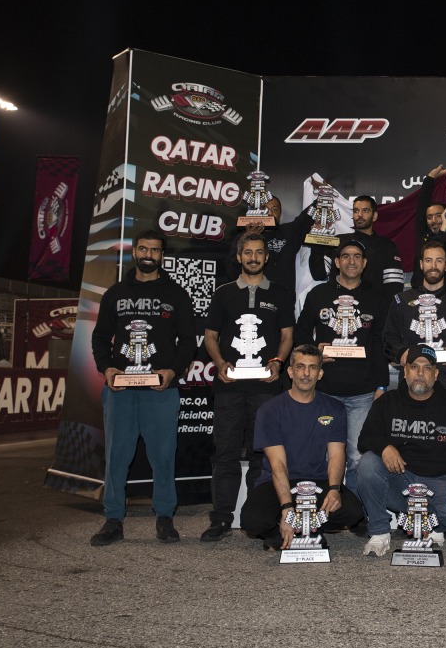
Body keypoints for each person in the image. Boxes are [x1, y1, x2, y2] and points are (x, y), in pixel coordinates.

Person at [89, 230, 196, 546]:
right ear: (134, 252)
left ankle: (164, 517)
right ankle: (113, 519)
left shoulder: (176, 294)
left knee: (163, 456)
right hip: (120, 391)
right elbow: (99, 338)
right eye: (144, 249)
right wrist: (107, 368)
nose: (149, 254)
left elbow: (188, 341)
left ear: (162, 255)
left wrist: (172, 371)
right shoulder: (115, 294)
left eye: (155, 250)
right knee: (116, 456)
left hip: (160, 391)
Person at [201, 233, 295, 542]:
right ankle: (221, 518)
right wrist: (219, 363)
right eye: (248, 252)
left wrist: (279, 362)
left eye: (259, 252)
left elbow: (287, 335)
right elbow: (210, 336)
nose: (253, 257)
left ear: (267, 257)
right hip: (229, 387)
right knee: (226, 453)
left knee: (262, 455)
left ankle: (256, 518)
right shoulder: (224, 293)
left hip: (266, 388)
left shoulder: (281, 293)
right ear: (239, 257)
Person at [354, 345, 446, 557]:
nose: (420, 373)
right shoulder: (386, 402)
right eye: (414, 367)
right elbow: (365, 439)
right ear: (405, 372)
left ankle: (430, 525)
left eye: (427, 368)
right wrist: (385, 447)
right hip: (399, 480)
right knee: (369, 461)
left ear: (436, 374)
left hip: (438, 481)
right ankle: (379, 533)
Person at [239, 345, 365, 552]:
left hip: (317, 482)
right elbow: (278, 465)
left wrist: (334, 489)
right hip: (278, 482)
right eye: (300, 367)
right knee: (252, 520)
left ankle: (307, 529)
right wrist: (287, 508)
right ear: (290, 372)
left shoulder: (334, 408)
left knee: (352, 511)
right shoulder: (270, 410)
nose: (306, 373)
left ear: (320, 373)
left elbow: (336, 455)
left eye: (312, 368)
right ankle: (285, 529)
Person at [294, 236, 390, 475]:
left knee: (358, 457)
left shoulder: (376, 297)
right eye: (345, 256)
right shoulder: (318, 294)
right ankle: (325, 499)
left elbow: (380, 343)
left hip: (362, 393)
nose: (351, 261)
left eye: (357, 257)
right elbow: (300, 333)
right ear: (337, 262)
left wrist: (382, 385)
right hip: (324, 390)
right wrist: (315, 351)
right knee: (322, 454)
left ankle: (354, 501)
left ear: (364, 263)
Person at [383, 239, 446, 403]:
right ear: (421, 264)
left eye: (439, 261)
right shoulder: (402, 301)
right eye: (428, 260)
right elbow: (387, 341)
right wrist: (400, 353)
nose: (433, 266)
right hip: (411, 385)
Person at [226, 196, 314, 292]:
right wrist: (249, 238)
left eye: (274, 209)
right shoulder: (243, 237)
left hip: (283, 298)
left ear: (280, 213)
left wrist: (322, 198)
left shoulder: (289, 233)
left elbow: (307, 216)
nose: (270, 213)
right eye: (265, 209)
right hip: (252, 296)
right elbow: (232, 272)